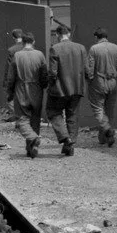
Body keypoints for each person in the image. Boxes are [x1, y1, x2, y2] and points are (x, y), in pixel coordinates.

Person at [45, 23, 89, 157]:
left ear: (57, 35)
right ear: (69, 34)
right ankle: (71, 142)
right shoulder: (81, 48)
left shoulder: (55, 48)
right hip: (77, 88)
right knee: (72, 115)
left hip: (59, 89)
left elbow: (52, 72)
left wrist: (50, 85)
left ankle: (65, 138)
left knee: (53, 112)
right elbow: (87, 70)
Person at [3, 30, 48, 157]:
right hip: (37, 90)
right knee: (35, 120)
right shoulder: (40, 55)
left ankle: (33, 138)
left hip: (21, 90)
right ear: (33, 42)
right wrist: (43, 86)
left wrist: (9, 93)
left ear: (22, 42)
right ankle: (32, 147)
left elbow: (11, 78)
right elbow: (44, 74)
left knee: (22, 119)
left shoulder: (17, 55)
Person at [87, 27, 117, 146]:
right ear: (106, 36)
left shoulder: (94, 49)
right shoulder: (116, 48)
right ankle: (103, 139)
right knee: (109, 111)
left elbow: (90, 70)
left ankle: (108, 130)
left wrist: (89, 81)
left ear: (96, 37)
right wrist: (115, 77)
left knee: (98, 109)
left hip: (99, 81)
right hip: (112, 81)